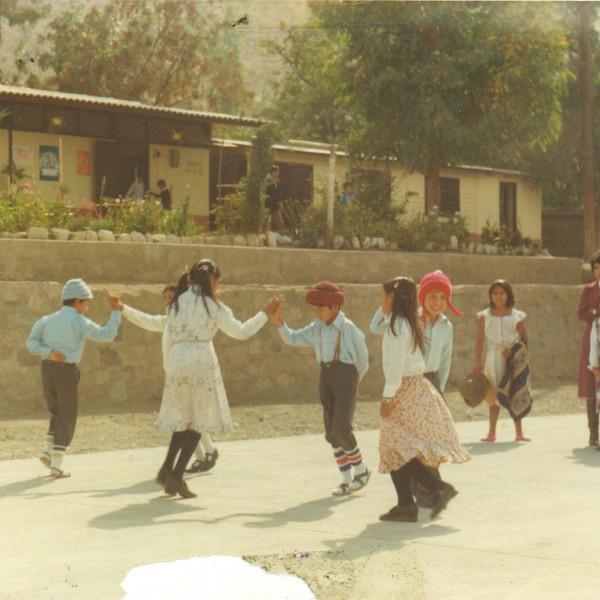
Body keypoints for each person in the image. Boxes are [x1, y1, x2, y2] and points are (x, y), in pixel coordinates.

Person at [154, 259, 279, 498]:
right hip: (200, 359)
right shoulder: (212, 306)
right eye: (217, 281)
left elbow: (167, 337)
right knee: (199, 420)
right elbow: (240, 331)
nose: (218, 286)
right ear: (210, 280)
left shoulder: (177, 302)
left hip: (178, 360)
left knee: (183, 418)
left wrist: (169, 365)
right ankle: (177, 476)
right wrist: (265, 313)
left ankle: (167, 470)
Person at [370, 277, 470, 522]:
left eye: (384, 296)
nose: (381, 301)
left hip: (404, 389)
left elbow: (394, 366)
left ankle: (435, 488)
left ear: (391, 297)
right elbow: (376, 325)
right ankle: (406, 504)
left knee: (396, 447)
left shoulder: (397, 325)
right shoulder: (409, 320)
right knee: (399, 448)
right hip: (417, 388)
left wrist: (387, 398)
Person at [271, 281, 370, 496]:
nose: (317, 313)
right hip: (326, 376)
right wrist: (279, 321)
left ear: (335, 307)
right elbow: (293, 338)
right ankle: (345, 477)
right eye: (315, 309)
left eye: (321, 309)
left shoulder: (349, 329)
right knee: (330, 432)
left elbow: (362, 360)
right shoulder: (317, 327)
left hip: (346, 377)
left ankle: (361, 470)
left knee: (341, 428)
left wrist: (353, 381)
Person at [110, 285, 220, 473]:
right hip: (176, 377)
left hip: (191, 376)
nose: (167, 301)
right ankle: (203, 456)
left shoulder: (187, 321)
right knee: (184, 419)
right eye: (165, 297)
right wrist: (123, 308)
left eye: (171, 297)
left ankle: (208, 453)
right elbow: (148, 320)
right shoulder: (169, 320)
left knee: (191, 418)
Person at [26, 278, 121, 478]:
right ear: (78, 302)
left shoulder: (47, 319)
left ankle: (47, 451)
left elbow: (31, 342)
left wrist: (49, 351)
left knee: (56, 412)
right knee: (67, 415)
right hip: (66, 371)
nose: (87, 308)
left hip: (47, 368)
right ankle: (57, 464)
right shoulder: (78, 321)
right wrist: (116, 313)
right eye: (86, 303)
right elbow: (106, 335)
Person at [474, 279, 531, 442]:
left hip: (511, 361)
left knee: (514, 390)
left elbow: (524, 337)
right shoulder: (485, 316)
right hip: (493, 357)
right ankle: (491, 432)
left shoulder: (516, 316)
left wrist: (513, 351)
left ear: (508, 295)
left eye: (501, 293)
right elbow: (479, 340)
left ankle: (519, 432)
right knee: (493, 393)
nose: (498, 297)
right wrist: (477, 363)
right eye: (495, 293)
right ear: (490, 296)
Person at [577, 250, 600, 447]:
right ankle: (593, 431)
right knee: (592, 386)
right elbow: (580, 313)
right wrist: (594, 313)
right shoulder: (589, 289)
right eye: (597, 268)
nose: (599, 271)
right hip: (593, 339)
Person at [265, 165, 284, 231]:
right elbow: (265, 191)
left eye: (278, 172)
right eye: (276, 172)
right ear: (271, 172)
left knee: (280, 222)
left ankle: (281, 235)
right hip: (268, 204)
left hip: (276, 204)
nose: (277, 174)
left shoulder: (278, 182)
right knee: (267, 222)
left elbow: (279, 193)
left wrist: (280, 203)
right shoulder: (267, 180)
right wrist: (271, 184)